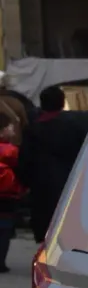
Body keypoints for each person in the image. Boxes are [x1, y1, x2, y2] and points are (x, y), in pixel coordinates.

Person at [17, 86, 88, 243]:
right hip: (69, 184)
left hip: (41, 187)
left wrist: (25, 182)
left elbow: (25, 160)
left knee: (44, 229)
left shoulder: (32, 130)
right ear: (62, 103)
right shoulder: (77, 126)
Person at [0, 113, 26, 271]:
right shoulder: (12, 151)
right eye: (11, 128)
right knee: (4, 229)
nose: (14, 132)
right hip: (8, 195)